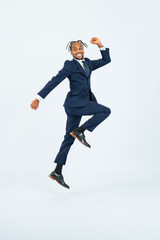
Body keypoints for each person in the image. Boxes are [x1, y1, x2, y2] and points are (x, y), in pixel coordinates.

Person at [30, 37, 111, 189]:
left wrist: (100, 45)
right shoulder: (69, 65)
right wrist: (38, 98)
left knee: (68, 138)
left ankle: (57, 171)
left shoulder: (88, 63)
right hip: (74, 104)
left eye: (80, 48)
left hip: (82, 103)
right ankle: (80, 131)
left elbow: (106, 60)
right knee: (105, 111)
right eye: (75, 49)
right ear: (71, 52)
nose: (78, 51)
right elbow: (54, 81)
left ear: (83, 49)